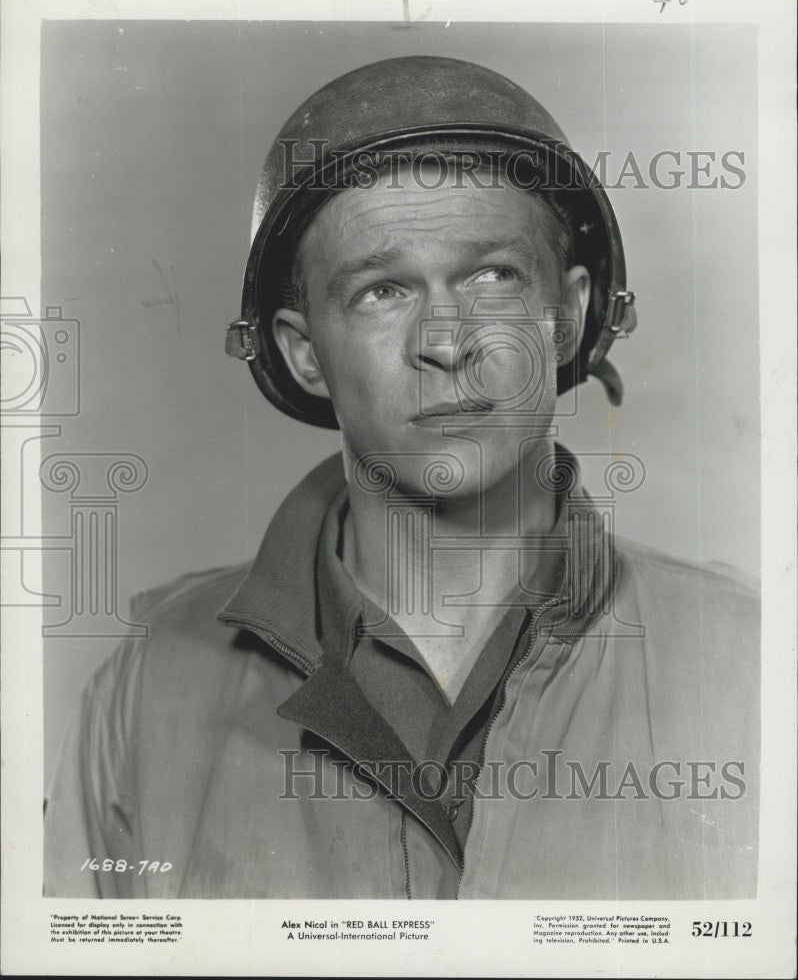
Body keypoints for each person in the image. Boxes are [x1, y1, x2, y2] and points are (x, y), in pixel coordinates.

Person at [44, 55, 759, 899]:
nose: (448, 342)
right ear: (304, 353)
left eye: (493, 276)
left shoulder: (750, 664)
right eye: (382, 290)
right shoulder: (147, 690)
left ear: (566, 316)